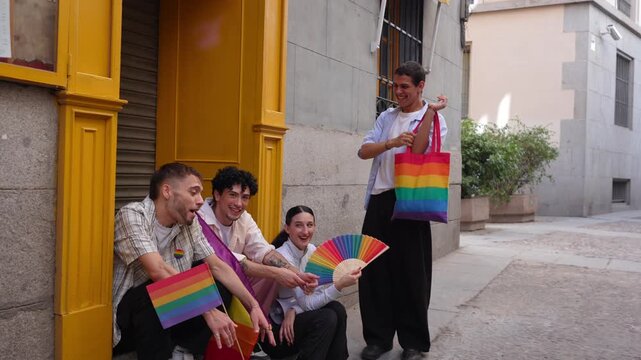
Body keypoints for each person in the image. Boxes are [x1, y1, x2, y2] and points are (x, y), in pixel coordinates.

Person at [112, 162, 274, 360]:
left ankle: (183, 349)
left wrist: (253, 306)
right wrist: (207, 310)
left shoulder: (190, 222)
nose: (199, 201)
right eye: (193, 192)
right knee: (155, 292)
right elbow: (158, 270)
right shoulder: (134, 215)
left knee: (216, 281)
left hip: (172, 311)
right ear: (167, 191)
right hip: (130, 320)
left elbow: (217, 265)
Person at [356, 61, 448, 360]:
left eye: (405, 86)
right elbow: (363, 151)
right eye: (395, 86)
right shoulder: (387, 117)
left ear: (421, 86)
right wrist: (391, 142)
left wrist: (430, 112)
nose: (398, 92)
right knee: (373, 271)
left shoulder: (433, 119)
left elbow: (421, 150)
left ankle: (413, 342)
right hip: (381, 200)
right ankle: (378, 338)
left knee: (412, 274)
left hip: (411, 201)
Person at [197, 166, 319, 359]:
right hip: (204, 284)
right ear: (217, 194)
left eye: (245, 197)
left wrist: (295, 273)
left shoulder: (244, 218)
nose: (239, 203)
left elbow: (263, 250)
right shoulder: (199, 218)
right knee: (233, 283)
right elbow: (225, 263)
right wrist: (277, 273)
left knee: (273, 271)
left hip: (233, 281)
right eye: (233, 195)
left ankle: (252, 334)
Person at [261, 205, 361, 360]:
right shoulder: (282, 257)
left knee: (337, 308)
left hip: (296, 322)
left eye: (309, 225)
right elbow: (308, 304)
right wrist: (339, 284)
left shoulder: (312, 250)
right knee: (327, 317)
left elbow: (319, 291)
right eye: (298, 225)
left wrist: (293, 309)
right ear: (287, 228)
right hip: (277, 335)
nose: (305, 231)